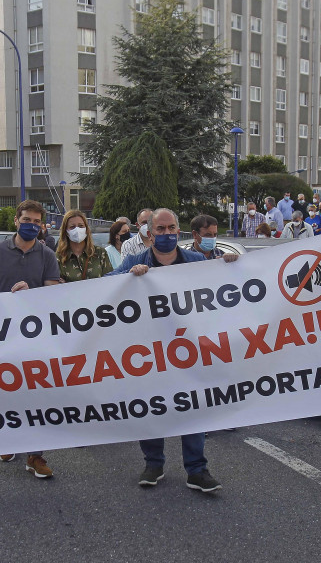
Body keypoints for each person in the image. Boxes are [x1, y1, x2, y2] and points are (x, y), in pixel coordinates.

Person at [107, 208, 223, 492]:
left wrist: (231, 264)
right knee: (151, 407)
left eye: (171, 228)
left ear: (178, 229)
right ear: (149, 231)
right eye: (160, 229)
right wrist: (127, 277)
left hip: (188, 349)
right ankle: (153, 464)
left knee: (192, 407)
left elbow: (224, 286)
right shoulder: (136, 260)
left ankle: (197, 470)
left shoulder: (196, 260)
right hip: (149, 352)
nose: (167, 234)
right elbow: (105, 287)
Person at [0, 199, 60, 477]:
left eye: (37, 222)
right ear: (16, 221)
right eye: (27, 221)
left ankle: (35, 455)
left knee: (38, 393)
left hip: (36, 336)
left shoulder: (46, 254)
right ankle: (8, 439)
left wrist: (33, 293)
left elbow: (53, 293)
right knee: (6, 389)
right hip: (2, 335)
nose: (32, 226)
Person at [57, 210, 113, 282]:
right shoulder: (59, 257)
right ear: (66, 231)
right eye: (72, 227)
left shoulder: (100, 253)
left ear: (86, 229)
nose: (77, 229)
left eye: (81, 226)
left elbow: (110, 280)